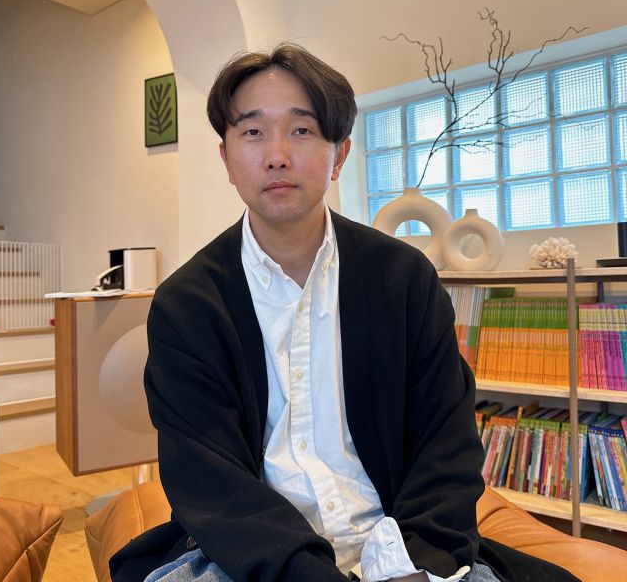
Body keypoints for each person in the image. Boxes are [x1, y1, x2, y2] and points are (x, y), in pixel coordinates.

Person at [109, 44, 580, 582]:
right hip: (249, 559)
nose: (277, 155)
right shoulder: (188, 304)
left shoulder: (404, 279)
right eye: (253, 131)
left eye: (302, 130)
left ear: (339, 155)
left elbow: (445, 443)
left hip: (399, 543)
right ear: (227, 159)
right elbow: (208, 478)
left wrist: (417, 562)